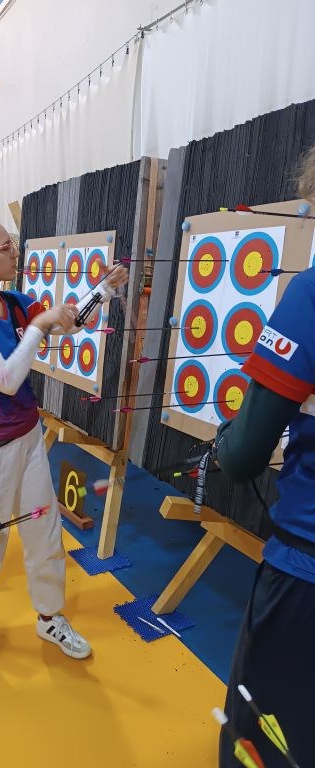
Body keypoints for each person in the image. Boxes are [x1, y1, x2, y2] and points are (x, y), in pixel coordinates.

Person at [0, 215, 128, 684]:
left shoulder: (15, 303)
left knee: (45, 537)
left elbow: (67, 324)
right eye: (6, 247)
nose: (14, 252)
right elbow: (5, 377)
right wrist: (39, 325)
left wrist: (103, 291)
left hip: (27, 440)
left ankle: (49, 617)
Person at [216, 156, 315, 767]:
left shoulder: (310, 292)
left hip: (306, 573)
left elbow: (244, 454)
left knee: (267, 743)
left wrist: (225, 440)